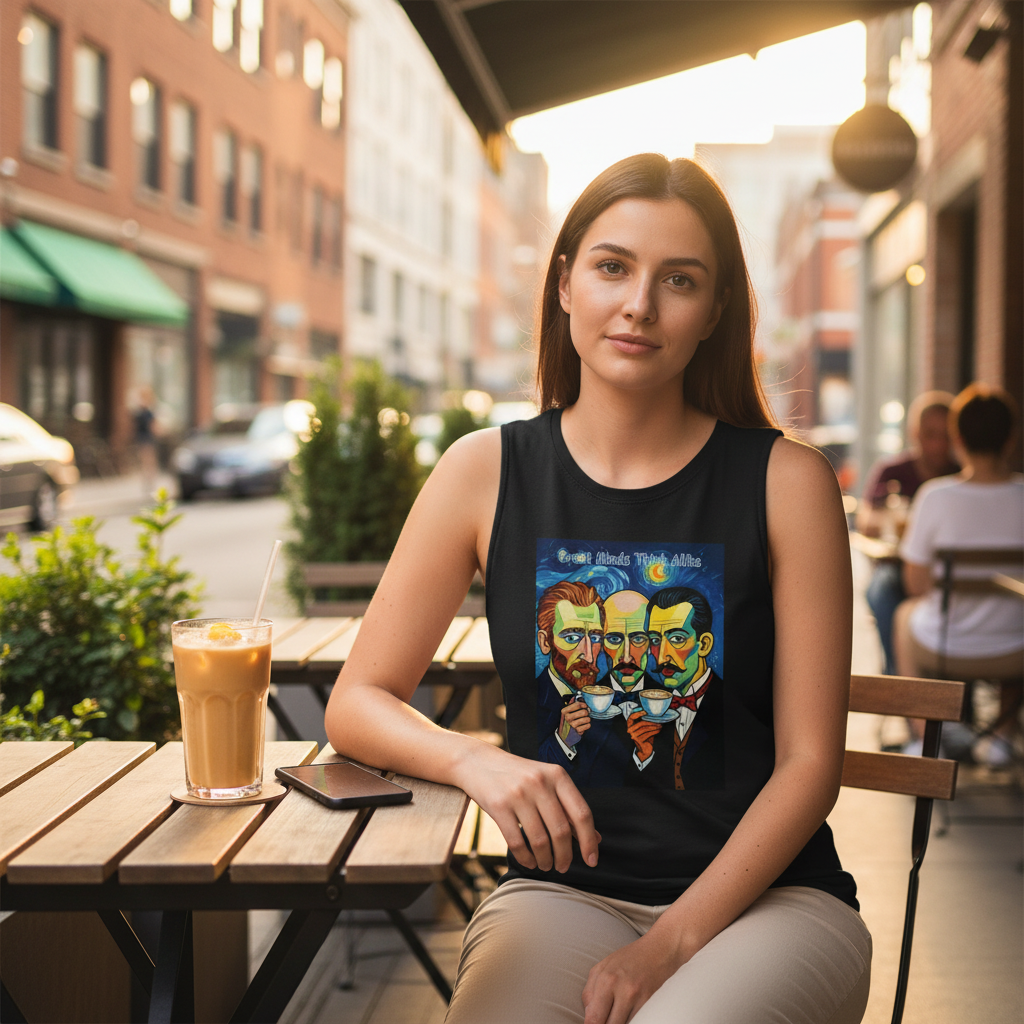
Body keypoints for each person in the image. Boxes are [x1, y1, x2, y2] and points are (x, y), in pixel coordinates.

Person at [325, 154, 870, 1023]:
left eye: (679, 279)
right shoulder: (483, 471)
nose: (639, 305)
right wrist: (475, 760)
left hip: (773, 902)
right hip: (557, 897)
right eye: (613, 266)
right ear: (566, 283)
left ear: (715, 310)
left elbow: (812, 766)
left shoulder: (786, 482)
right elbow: (358, 702)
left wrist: (669, 945)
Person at [894, 384, 1023, 768]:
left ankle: (922, 739)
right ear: (1011, 439)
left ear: (958, 439)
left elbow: (915, 585)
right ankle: (1000, 738)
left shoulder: (936, 496)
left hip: (946, 645)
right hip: (1016, 650)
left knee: (903, 616)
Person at [856, 392, 958, 675]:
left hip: (951, 575)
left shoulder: (959, 476)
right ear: (915, 434)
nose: (939, 444)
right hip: (897, 567)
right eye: (930, 434)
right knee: (881, 590)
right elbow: (867, 521)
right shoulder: (892, 471)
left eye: (946, 435)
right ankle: (897, 677)